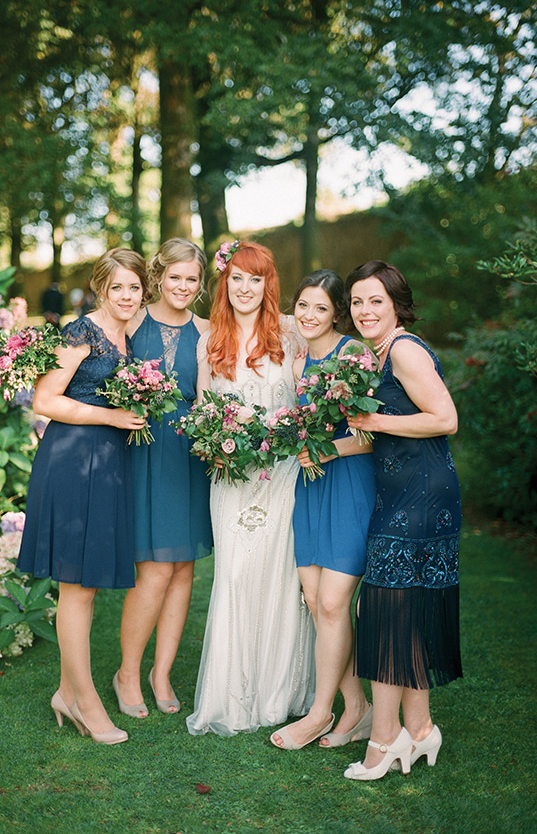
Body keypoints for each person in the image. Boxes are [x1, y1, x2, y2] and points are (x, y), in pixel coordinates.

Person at [17, 248, 149, 745]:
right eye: (117, 287)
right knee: (77, 585)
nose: (127, 296)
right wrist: (112, 417)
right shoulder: (81, 333)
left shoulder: (127, 334)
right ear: (101, 288)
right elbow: (45, 400)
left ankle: (64, 691)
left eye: (134, 288)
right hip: (74, 460)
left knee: (86, 585)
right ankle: (83, 699)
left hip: (108, 462)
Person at [186, 240, 315, 737]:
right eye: (236, 278)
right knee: (236, 575)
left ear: (268, 284)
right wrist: (215, 445)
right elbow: (202, 413)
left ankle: (281, 693)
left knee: (281, 575)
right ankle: (232, 696)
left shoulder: (289, 333)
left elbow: (314, 392)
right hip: (232, 478)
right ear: (225, 282)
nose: (245, 288)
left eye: (254, 279)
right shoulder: (210, 341)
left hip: (283, 475)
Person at [342, 259, 462, 781]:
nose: (365, 311)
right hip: (399, 492)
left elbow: (445, 419)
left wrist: (373, 419)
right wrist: (330, 449)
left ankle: (384, 739)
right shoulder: (376, 353)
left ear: (395, 304)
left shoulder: (406, 350)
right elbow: (380, 433)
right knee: (397, 611)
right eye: (357, 301)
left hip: (421, 496)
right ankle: (420, 729)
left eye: (375, 301)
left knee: (384, 612)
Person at [270, 270, 376, 750]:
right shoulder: (297, 361)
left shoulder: (351, 355)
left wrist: (330, 450)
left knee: (334, 603)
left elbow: (376, 431)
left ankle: (319, 712)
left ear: (338, 314)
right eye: (303, 306)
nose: (310, 316)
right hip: (310, 486)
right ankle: (358, 708)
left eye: (321, 308)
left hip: (350, 483)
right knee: (317, 603)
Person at [114, 238, 213, 718]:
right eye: (175, 276)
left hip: (190, 455)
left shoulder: (209, 331)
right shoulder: (132, 321)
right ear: (159, 276)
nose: (183, 286)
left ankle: (161, 672)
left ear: (200, 284)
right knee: (153, 569)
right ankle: (127, 672)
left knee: (183, 569)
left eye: (192, 278)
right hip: (142, 451)